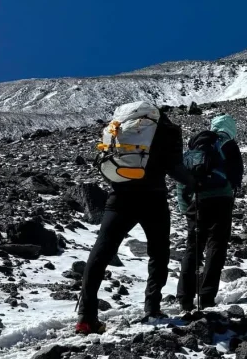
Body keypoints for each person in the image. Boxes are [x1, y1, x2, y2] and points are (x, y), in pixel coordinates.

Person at [77, 104, 193, 334]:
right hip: (154, 199)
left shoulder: (121, 128)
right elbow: (175, 168)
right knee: (159, 254)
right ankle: (152, 308)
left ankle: (86, 317)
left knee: (100, 253)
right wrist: (195, 182)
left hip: (119, 197)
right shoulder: (167, 129)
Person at [176, 115, 244, 313]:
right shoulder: (229, 145)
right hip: (221, 200)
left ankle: (185, 298)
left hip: (197, 201)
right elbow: (236, 176)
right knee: (217, 247)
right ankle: (206, 296)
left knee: (193, 248)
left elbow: (182, 176)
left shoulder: (196, 145)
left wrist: (183, 204)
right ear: (231, 128)